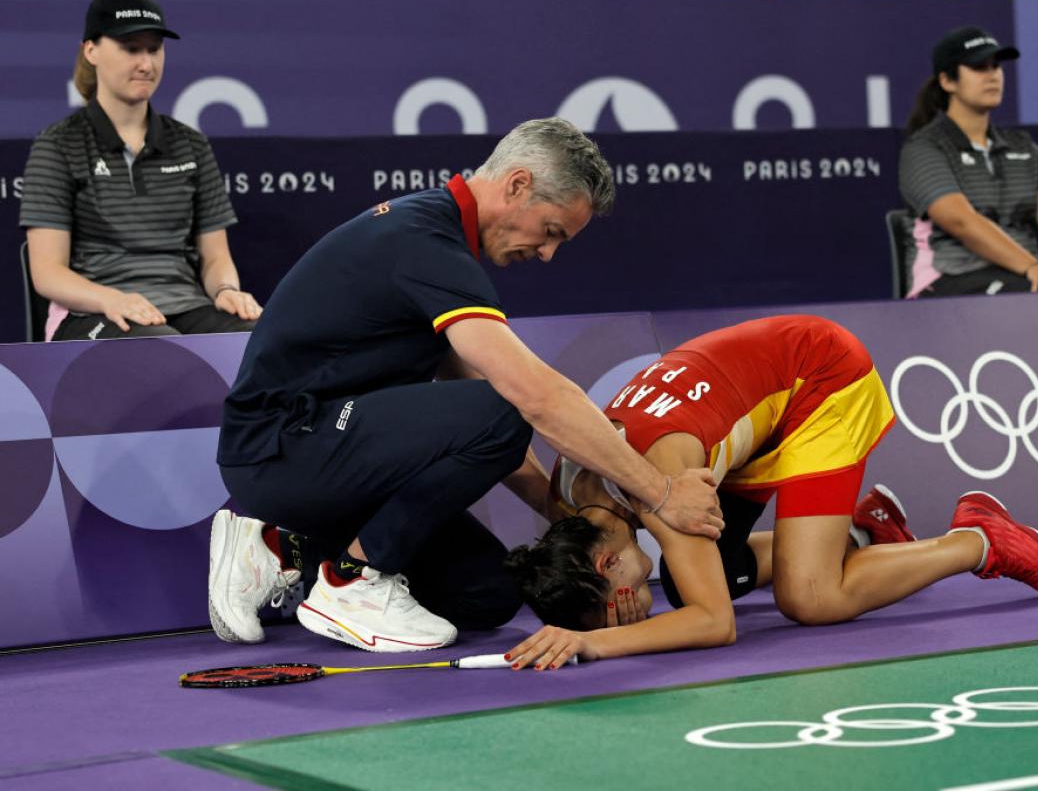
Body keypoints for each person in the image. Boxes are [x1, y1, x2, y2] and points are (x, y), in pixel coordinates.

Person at [208, 117, 723, 654]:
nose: (548, 254)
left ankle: (279, 548)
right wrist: (659, 492)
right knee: (507, 408)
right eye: (551, 232)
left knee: (487, 595)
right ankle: (353, 581)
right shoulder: (425, 242)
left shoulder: (441, 243)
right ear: (518, 184)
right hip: (280, 447)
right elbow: (533, 398)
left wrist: (555, 510)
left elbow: (470, 406)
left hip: (332, 454)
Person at [502, 315, 1038, 670]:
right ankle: (864, 532)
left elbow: (714, 624)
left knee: (812, 598)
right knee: (698, 576)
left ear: (605, 564)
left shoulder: (662, 489)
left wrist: (594, 644)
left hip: (818, 377)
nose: (624, 618)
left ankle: (979, 539)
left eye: (614, 611)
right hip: (745, 415)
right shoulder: (568, 500)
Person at [18, 0, 261, 342]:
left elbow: (215, 257)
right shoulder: (57, 144)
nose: (146, 64)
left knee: (257, 341)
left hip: (185, 305)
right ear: (91, 51)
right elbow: (47, 273)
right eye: (131, 48)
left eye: (154, 49)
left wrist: (225, 290)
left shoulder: (191, 143)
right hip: (93, 312)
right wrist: (111, 299)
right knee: (159, 350)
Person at [898, 25, 1038, 299]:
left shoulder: (1022, 146)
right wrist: (1031, 266)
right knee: (1037, 297)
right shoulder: (924, 147)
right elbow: (961, 221)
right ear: (948, 81)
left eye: (996, 66)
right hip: (951, 277)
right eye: (978, 67)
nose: (993, 75)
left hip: (1023, 273)